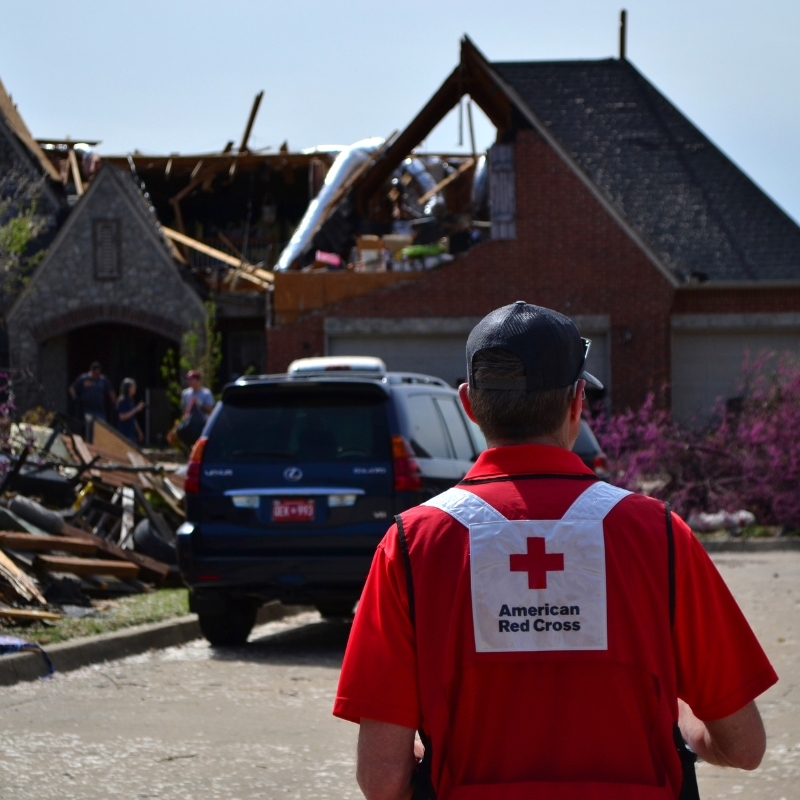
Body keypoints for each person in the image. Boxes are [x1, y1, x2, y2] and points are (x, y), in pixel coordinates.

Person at [333, 301, 778, 800]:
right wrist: (689, 730)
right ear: (576, 402)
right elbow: (744, 747)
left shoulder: (412, 544)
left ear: (469, 405)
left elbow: (382, 779)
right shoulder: (660, 534)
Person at [116, 378, 146, 443]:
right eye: (133, 386)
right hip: (124, 432)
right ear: (128, 388)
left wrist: (139, 431)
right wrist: (136, 409)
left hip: (131, 432)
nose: (135, 388)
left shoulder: (130, 400)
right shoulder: (123, 401)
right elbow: (122, 417)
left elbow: (133, 418)